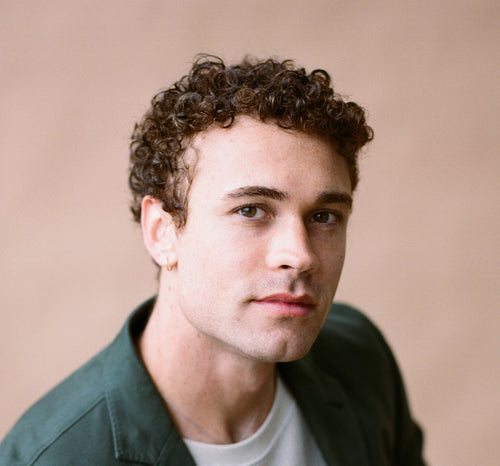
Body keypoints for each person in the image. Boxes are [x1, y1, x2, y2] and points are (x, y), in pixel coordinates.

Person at [0, 55, 425, 465]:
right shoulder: (57, 458)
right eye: (251, 210)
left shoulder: (360, 360)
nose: (300, 255)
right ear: (161, 231)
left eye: (324, 216)